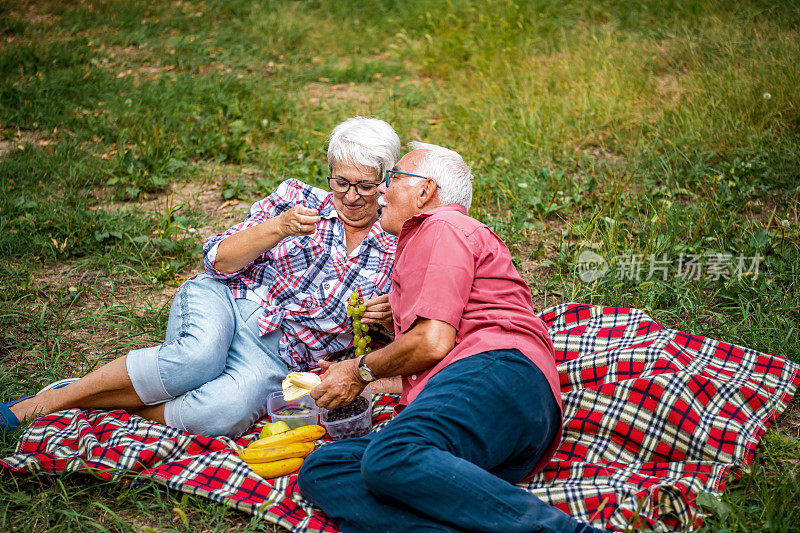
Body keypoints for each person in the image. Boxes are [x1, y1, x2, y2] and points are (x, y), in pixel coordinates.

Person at [1, 117, 401, 438]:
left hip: (278, 354)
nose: (351, 196)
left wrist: (385, 317)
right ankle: (47, 403)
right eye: (341, 182)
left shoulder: (399, 246)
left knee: (222, 414)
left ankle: (117, 405)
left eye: (365, 185)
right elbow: (217, 261)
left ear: (387, 182)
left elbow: (398, 337)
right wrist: (277, 227)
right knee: (196, 358)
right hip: (228, 299)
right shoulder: (297, 198)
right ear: (328, 174)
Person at [298, 143, 599, 533]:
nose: (382, 191)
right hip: (487, 423)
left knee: (392, 454)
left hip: (499, 373)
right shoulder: (429, 241)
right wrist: (362, 381)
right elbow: (435, 357)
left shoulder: (440, 225)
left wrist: (359, 371)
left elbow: (432, 343)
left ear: (425, 190)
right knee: (326, 467)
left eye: (392, 179)